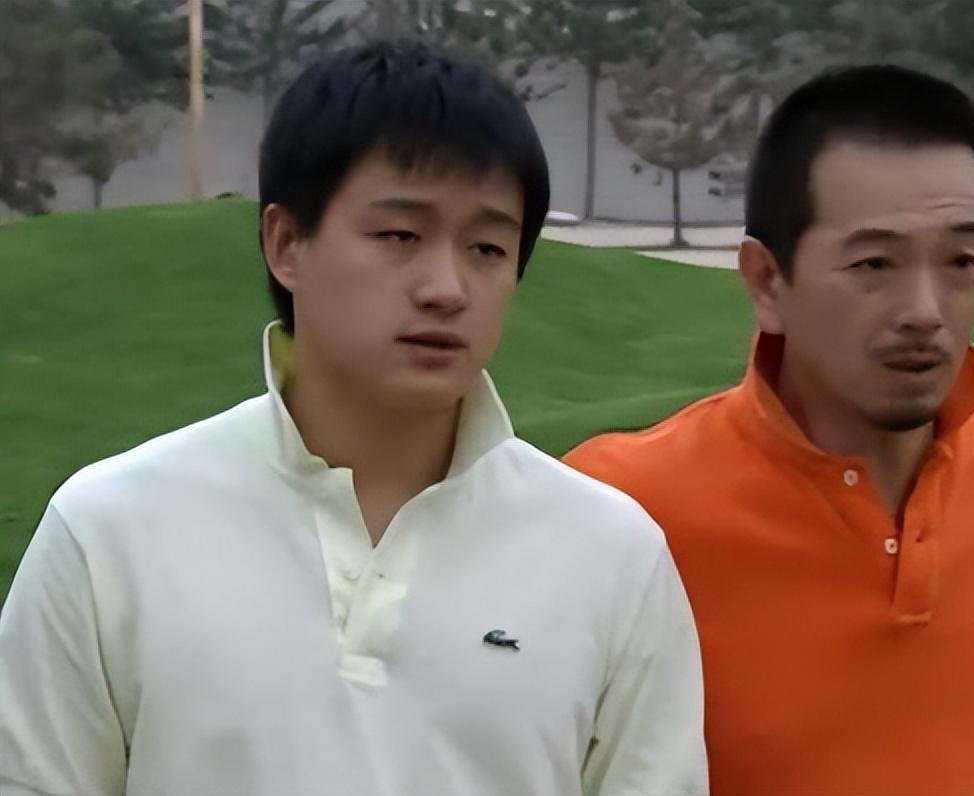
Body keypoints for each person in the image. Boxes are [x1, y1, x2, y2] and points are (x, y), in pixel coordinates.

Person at [0, 41, 706, 796]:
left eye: (487, 247)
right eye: (400, 236)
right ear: (285, 243)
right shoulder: (110, 530)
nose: (447, 288)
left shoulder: (610, 555)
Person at [565, 65, 974, 795]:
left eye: (961, 260)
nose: (924, 309)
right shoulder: (619, 509)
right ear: (766, 281)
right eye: (874, 263)